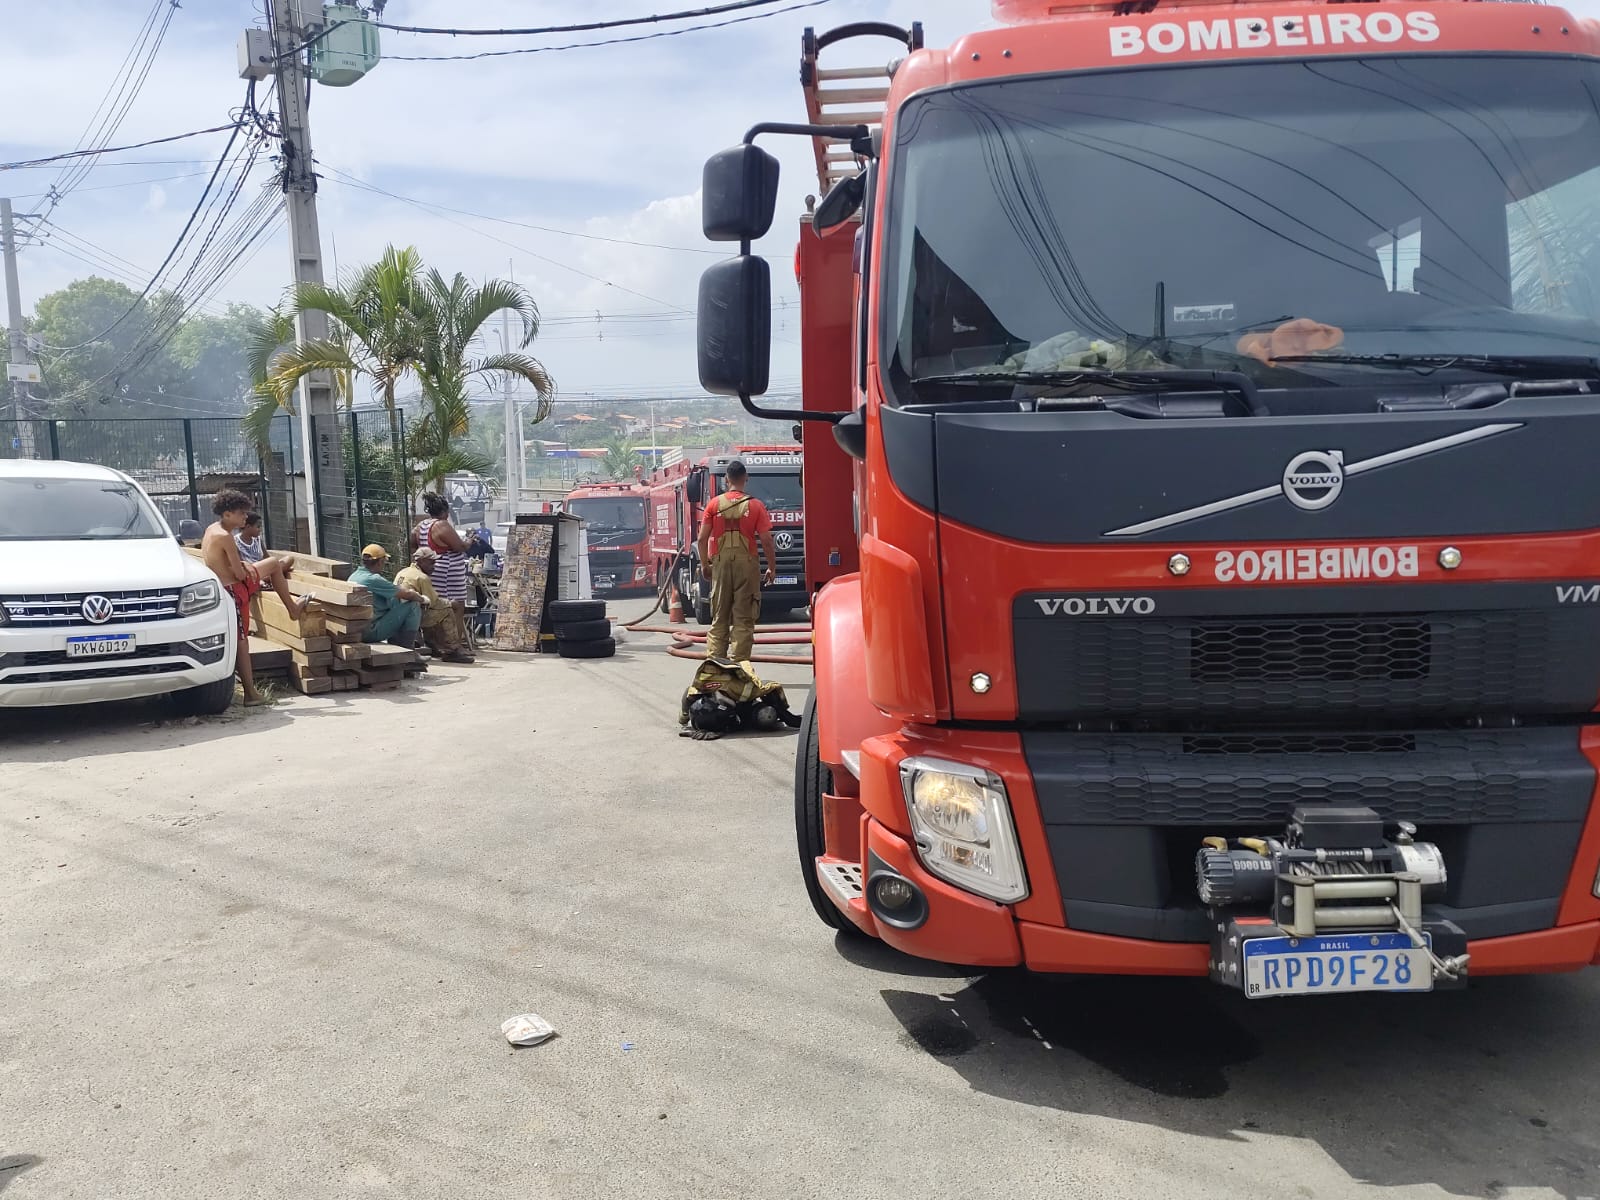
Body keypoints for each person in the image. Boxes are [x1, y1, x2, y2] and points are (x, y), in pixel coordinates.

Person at [202, 489, 313, 706]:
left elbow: (229, 564)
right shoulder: (225, 537)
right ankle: (251, 694)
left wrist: (245, 566)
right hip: (234, 591)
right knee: (241, 641)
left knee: (273, 564)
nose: (245, 517)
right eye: (242, 513)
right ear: (227, 514)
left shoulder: (211, 530)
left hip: (226, 587)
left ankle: (292, 608)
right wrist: (248, 570)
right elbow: (238, 574)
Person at [695, 459, 777, 665]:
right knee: (743, 618)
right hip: (746, 565)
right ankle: (739, 667)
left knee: (719, 617)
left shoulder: (713, 505)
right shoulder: (756, 505)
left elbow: (702, 539)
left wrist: (705, 565)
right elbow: (767, 540)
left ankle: (715, 665)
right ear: (746, 478)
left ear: (726, 479)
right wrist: (771, 567)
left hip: (720, 564)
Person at [395, 548, 475, 663]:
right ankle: (451, 650)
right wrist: (451, 603)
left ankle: (432, 644)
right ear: (421, 561)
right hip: (410, 616)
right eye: (431, 562)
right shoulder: (422, 577)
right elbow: (433, 602)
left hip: (398, 614)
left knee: (431, 610)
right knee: (446, 609)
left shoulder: (403, 572)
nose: (434, 566)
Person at [411, 492, 470, 627]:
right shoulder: (441, 525)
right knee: (456, 608)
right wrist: (469, 541)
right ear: (444, 511)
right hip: (448, 576)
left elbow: (413, 547)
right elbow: (460, 547)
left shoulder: (420, 526)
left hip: (431, 573)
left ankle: (438, 637)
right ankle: (454, 639)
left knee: (436, 607)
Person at [349, 543, 424, 648]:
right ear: (380, 562)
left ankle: (397, 644)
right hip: (369, 632)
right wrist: (422, 598)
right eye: (384, 561)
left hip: (356, 629)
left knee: (395, 602)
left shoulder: (354, 576)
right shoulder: (373, 579)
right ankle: (408, 649)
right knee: (413, 605)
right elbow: (406, 594)